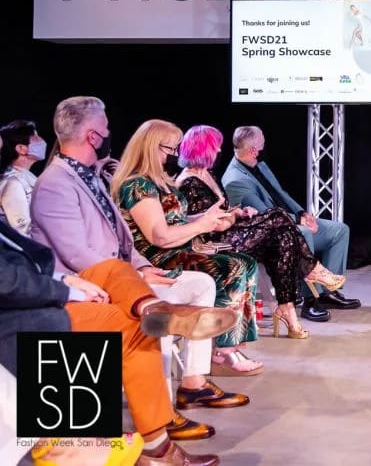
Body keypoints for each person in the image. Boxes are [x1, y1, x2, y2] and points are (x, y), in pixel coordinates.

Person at [30, 97, 247, 437]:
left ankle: (193, 381)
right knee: (151, 316)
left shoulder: (91, 177)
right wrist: (131, 276)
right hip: (88, 283)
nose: (109, 134)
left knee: (201, 283)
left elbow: (122, 239)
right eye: (105, 128)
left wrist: (142, 266)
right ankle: (162, 400)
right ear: (92, 136)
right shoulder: (55, 184)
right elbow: (77, 254)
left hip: (123, 274)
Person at [1, 201, 233, 465]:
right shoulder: (53, 186)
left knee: (115, 269)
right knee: (126, 324)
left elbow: (26, 264)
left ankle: (154, 308)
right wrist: (68, 291)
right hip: (17, 311)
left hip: (40, 285)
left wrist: (63, 279)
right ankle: (157, 447)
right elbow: (8, 281)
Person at [112, 119, 265, 378]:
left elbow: (176, 221)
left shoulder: (159, 180)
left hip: (177, 249)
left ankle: (233, 343)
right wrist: (201, 225)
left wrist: (206, 219)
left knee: (246, 262)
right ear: (150, 146)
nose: (174, 155)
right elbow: (159, 237)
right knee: (233, 267)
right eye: (169, 149)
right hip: (156, 257)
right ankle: (222, 351)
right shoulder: (136, 185)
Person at [176, 125, 347, 339]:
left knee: (283, 238)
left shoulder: (207, 173)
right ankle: (311, 272)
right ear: (202, 149)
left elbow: (222, 211)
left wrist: (239, 211)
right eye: (215, 146)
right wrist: (234, 216)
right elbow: (213, 225)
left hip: (229, 232)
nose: (219, 150)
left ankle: (287, 308)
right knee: (278, 218)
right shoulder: (189, 183)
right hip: (213, 243)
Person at [222, 125, 361, 319]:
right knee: (304, 232)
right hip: (270, 233)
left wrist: (302, 213)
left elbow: (281, 193)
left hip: (290, 220)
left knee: (339, 230)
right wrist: (299, 221)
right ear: (253, 149)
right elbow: (265, 214)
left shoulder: (259, 165)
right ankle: (311, 299)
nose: (264, 147)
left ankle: (327, 293)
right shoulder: (235, 180)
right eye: (262, 144)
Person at [0, 119, 47, 234]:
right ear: (21, 148)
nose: (41, 140)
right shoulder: (13, 183)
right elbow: (23, 231)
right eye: (35, 137)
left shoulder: (26, 176)